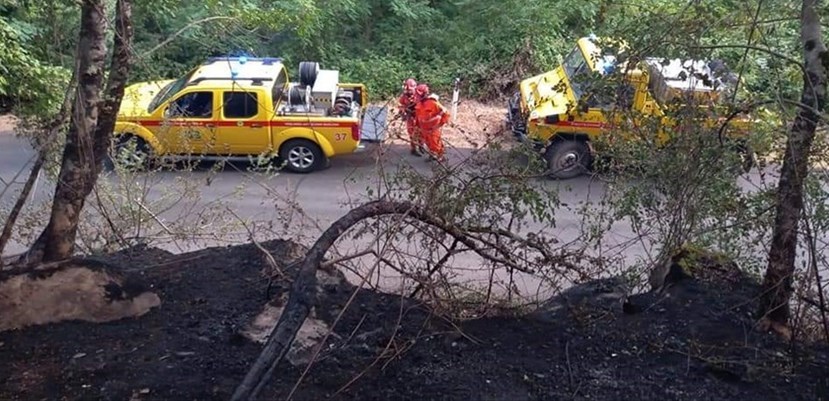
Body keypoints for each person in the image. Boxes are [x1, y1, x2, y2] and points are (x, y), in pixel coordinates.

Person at [413, 83, 450, 162]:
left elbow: (446, 113)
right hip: (423, 129)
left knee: (435, 144)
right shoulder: (419, 104)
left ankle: (441, 157)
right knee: (428, 143)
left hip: (432, 129)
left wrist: (439, 124)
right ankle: (432, 155)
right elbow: (418, 116)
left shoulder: (433, 103)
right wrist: (417, 127)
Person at [398, 78, 421, 156]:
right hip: (410, 116)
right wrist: (403, 111)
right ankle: (413, 148)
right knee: (412, 132)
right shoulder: (404, 96)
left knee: (421, 132)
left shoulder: (419, 95)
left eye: (411, 89)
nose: (410, 91)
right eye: (408, 90)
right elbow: (400, 105)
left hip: (419, 116)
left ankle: (421, 146)